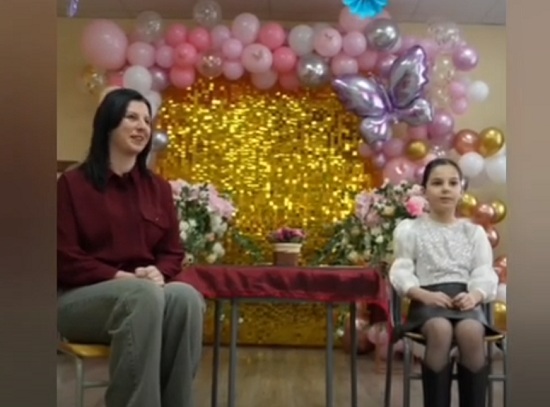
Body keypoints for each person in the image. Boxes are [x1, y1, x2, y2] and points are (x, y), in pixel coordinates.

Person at [57, 88, 205, 407]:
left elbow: (172, 252)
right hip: (79, 300)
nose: (142, 127)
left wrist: (158, 272)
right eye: (131, 118)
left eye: (147, 121)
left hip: (143, 295)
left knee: (186, 298)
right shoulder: (72, 185)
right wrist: (120, 277)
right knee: (142, 294)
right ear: (108, 124)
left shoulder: (158, 188)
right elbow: (63, 257)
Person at [389, 158, 499, 407]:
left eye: (453, 183)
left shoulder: (473, 233)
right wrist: (422, 294)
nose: (446, 189)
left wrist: (475, 295)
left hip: (465, 301)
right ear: (425, 190)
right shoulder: (411, 230)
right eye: (437, 183)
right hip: (427, 302)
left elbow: (483, 271)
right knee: (440, 329)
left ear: (462, 190)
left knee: (471, 331)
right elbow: (401, 270)